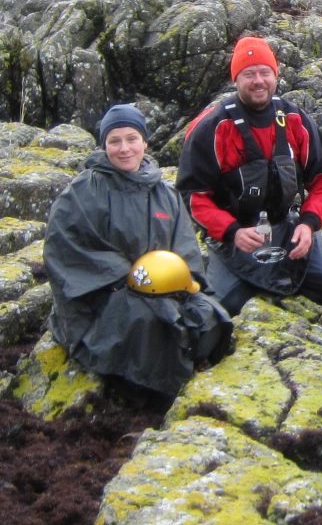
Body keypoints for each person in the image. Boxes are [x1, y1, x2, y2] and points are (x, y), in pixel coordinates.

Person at [44, 104, 233, 398]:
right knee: (151, 321)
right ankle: (150, 395)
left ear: (144, 142)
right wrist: (132, 277)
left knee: (210, 314)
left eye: (132, 139)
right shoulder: (82, 193)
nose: (124, 149)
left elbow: (185, 250)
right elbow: (66, 248)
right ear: (104, 145)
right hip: (107, 294)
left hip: (166, 288)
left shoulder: (165, 194)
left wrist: (179, 284)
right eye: (115, 141)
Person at [177, 36, 322, 316]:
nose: (258, 81)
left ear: (275, 76)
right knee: (228, 307)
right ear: (236, 79)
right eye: (249, 74)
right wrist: (231, 231)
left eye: (264, 72)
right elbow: (192, 196)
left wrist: (308, 223)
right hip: (234, 233)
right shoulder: (212, 128)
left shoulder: (294, 119)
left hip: (285, 225)